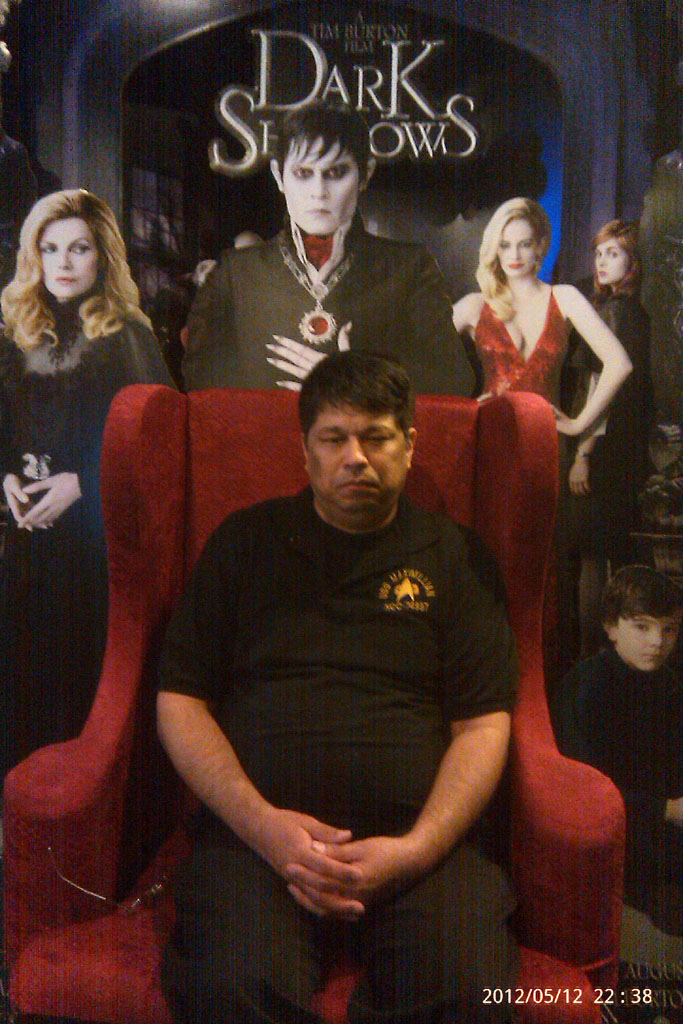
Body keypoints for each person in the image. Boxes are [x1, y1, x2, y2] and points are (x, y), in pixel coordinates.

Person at [158, 351, 518, 1023]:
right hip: (255, 847)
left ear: (409, 446)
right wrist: (263, 828)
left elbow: (483, 724)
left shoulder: (457, 557)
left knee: (471, 990)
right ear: (306, 451)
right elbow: (180, 700)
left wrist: (417, 849)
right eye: (334, 438)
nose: (356, 458)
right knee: (232, 987)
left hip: (421, 851)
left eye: (376, 437)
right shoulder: (244, 543)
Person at [0, 189, 173, 781]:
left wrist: (80, 483)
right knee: (23, 683)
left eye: (79, 248)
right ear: (33, 255)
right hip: (28, 543)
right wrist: (6, 480)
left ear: (102, 256)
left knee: (84, 687)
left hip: (96, 546)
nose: (64, 262)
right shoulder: (16, 332)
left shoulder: (127, 334)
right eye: (50, 249)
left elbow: (159, 442)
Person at [182, 102, 474, 395]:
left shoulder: (409, 267)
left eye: (336, 172)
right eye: (303, 173)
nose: (318, 192)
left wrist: (360, 380)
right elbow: (198, 383)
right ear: (279, 176)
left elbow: (456, 380)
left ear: (365, 174)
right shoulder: (235, 271)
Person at [551, 566, 683, 935]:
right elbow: (585, 791)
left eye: (669, 629)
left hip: (663, 820)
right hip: (620, 833)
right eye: (642, 627)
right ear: (611, 627)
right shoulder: (588, 687)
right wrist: (668, 810)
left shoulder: (668, 682)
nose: (657, 641)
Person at [452, 197, 632, 436]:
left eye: (524, 244)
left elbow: (620, 364)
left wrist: (577, 425)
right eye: (505, 245)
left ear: (540, 246)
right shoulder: (474, 305)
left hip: (546, 439)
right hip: (488, 437)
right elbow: (417, 358)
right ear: (495, 248)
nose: (514, 255)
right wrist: (463, 410)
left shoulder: (566, 297)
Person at [561, 221, 653, 658]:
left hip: (602, 451)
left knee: (592, 558)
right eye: (599, 253)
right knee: (606, 554)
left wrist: (582, 452)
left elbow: (600, 388)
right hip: (625, 450)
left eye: (613, 254)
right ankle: (610, 651)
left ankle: (590, 654)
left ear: (632, 262)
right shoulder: (633, 311)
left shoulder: (616, 312)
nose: (601, 262)